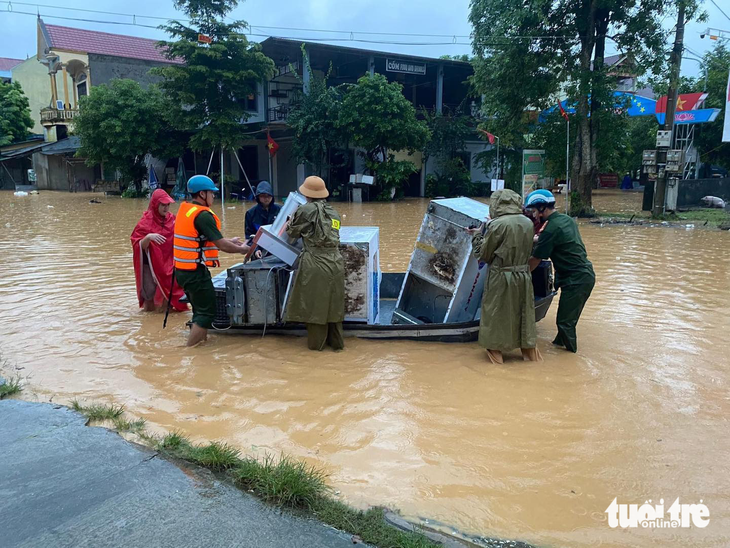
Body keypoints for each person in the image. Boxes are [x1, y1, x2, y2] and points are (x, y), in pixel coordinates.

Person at [174, 175, 251, 346]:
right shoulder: (203, 215)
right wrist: (242, 249)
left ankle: (201, 346)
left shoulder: (187, 210)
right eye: (212, 193)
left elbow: (199, 240)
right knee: (206, 314)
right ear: (202, 194)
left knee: (199, 311)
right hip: (195, 273)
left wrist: (231, 241)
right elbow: (221, 245)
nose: (214, 196)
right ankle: (190, 350)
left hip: (182, 270)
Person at [468, 189, 542, 364]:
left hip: (501, 276)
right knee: (523, 314)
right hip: (523, 275)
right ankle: (531, 359)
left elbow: (484, 255)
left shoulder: (497, 225)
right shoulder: (527, 223)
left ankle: (497, 364)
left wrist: (477, 235)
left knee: (495, 316)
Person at [526, 189, 595, 353]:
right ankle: (559, 346)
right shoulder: (566, 220)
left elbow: (535, 260)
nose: (534, 215)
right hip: (583, 275)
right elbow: (551, 239)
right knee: (567, 319)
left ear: (543, 208)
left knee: (565, 322)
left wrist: (519, 275)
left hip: (575, 280)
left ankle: (571, 360)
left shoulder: (551, 229)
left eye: (535, 211)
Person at [285, 176, 346, 351]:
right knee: (334, 310)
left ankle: (315, 353)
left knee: (315, 310)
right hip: (336, 262)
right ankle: (337, 347)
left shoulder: (305, 210)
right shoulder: (334, 212)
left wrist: (289, 222)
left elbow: (292, 233)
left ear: (306, 194)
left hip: (316, 263)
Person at [131, 189, 187, 312]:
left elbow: (186, 236)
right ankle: (149, 322)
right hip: (149, 265)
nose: (166, 208)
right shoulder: (145, 222)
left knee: (171, 293)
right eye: (163, 205)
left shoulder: (173, 220)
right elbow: (137, 244)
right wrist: (148, 237)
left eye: (168, 205)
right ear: (155, 204)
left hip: (168, 263)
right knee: (149, 297)